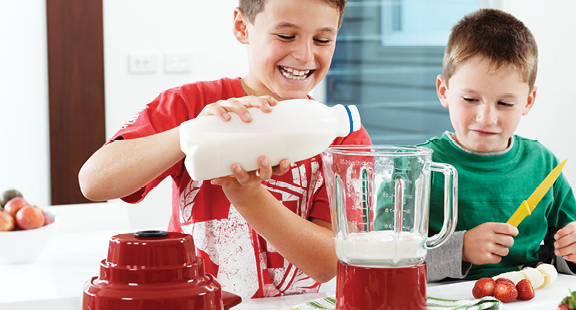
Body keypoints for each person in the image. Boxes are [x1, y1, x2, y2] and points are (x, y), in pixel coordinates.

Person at [78, 0, 370, 299]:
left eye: (322, 40)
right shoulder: (191, 105)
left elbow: (327, 264)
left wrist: (250, 197)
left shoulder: (341, 137)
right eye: (286, 36)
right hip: (195, 302)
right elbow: (94, 182)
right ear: (242, 27)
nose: (304, 55)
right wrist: (191, 133)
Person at [421, 8, 576, 281]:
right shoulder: (417, 167)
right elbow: (387, 259)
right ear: (443, 91)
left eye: (505, 103)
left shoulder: (543, 164)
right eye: (470, 99)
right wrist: (461, 249)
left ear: (528, 101)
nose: (486, 118)